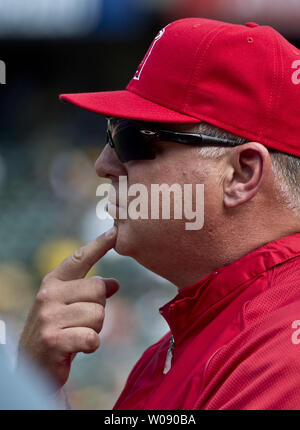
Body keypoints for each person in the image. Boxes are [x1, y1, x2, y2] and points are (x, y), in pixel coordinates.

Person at [19, 17, 300, 409]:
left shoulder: (283, 359)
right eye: (108, 134)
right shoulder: (190, 336)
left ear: (242, 173)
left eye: (131, 138)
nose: (104, 164)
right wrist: (37, 389)